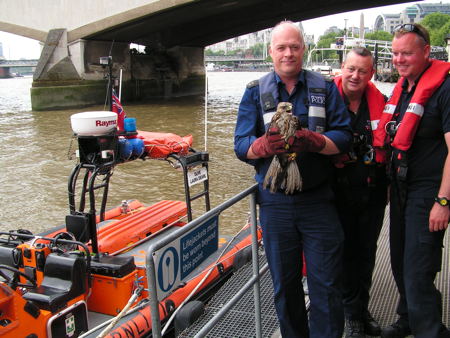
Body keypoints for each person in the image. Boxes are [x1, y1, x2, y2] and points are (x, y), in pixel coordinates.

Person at [234, 20, 352, 338]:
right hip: (275, 204)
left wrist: (315, 142)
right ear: (271, 52)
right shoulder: (254, 92)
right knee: (285, 287)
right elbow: (240, 145)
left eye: (294, 47)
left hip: (318, 201)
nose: (288, 53)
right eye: (282, 48)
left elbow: (344, 136)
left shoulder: (324, 88)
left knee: (326, 285)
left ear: (303, 50)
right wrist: (261, 146)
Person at [373, 23, 450, 338]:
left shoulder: (445, 89)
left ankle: (430, 331)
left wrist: (443, 202)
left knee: (418, 271)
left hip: (428, 193)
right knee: (400, 263)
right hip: (402, 192)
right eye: (395, 54)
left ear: (426, 52)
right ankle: (408, 318)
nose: (399, 60)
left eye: (406, 53)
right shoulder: (404, 87)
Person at [332, 47, 388, 338]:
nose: (355, 76)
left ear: (371, 74)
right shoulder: (325, 100)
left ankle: (359, 310)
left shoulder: (382, 103)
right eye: (351, 69)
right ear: (342, 67)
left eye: (362, 71)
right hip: (334, 196)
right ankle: (346, 313)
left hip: (371, 193)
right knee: (340, 254)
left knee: (365, 254)